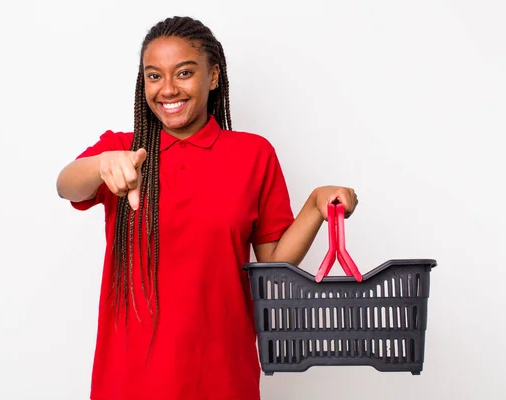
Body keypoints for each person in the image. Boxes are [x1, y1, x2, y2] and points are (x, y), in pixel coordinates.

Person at [56, 15, 358, 400]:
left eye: (183, 73)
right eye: (153, 76)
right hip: (131, 379)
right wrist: (102, 165)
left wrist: (316, 206)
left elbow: (272, 263)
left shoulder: (253, 155)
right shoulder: (124, 150)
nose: (167, 89)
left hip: (222, 376)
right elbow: (67, 185)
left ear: (213, 76)